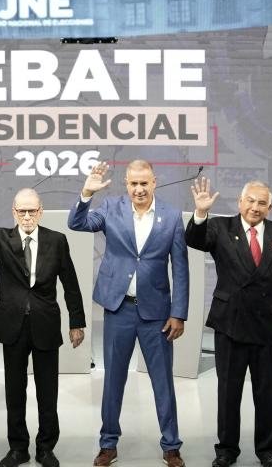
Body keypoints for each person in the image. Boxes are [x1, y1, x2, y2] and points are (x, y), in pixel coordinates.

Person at [68, 160, 189, 467]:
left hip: (157, 314)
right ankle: (108, 444)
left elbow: (180, 268)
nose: (139, 189)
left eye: (144, 183)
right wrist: (86, 193)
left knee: (163, 382)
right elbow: (77, 224)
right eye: (133, 183)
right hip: (118, 309)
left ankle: (171, 445)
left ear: (154, 182)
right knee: (113, 380)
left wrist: (179, 313)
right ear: (126, 184)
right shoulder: (111, 207)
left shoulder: (172, 216)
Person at [0, 186, 86, 467]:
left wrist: (77, 322)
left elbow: (70, 283)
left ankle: (46, 448)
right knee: (14, 391)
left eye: (32, 211)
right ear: (14, 212)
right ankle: (18, 448)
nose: (28, 216)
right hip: (13, 326)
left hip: (46, 323)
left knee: (48, 391)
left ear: (41, 212)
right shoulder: (1, 238)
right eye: (22, 211)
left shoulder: (57, 240)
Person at [186, 178, 272, 467]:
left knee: (266, 391)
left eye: (262, 203)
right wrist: (200, 213)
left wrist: (265, 297)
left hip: (264, 322)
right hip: (229, 322)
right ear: (240, 202)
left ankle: (268, 451)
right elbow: (194, 241)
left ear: (270, 207)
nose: (255, 207)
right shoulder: (220, 227)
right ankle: (226, 450)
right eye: (250, 200)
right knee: (228, 390)